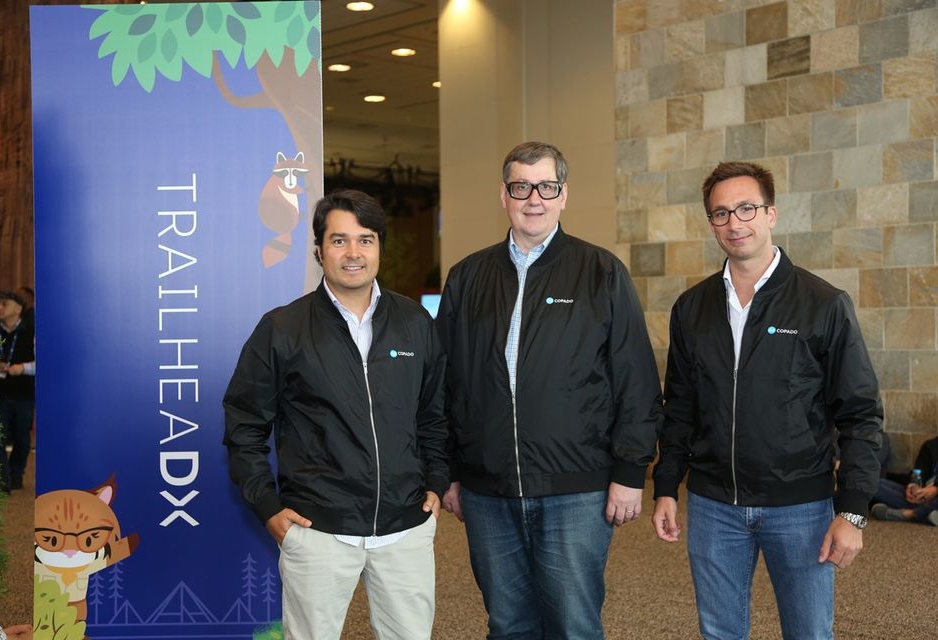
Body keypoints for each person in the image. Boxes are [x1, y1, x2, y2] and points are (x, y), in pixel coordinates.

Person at [436, 141, 662, 639]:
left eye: (546, 186)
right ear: (504, 195)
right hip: (487, 489)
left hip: (576, 489)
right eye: (521, 187)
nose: (533, 198)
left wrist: (630, 471)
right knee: (507, 624)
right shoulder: (467, 277)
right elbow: (442, 383)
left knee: (573, 626)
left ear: (564, 196)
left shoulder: (601, 272)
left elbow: (636, 379)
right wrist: (446, 471)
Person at [652, 161, 883, 639]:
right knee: (720, 634)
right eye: (721, 213)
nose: (734, 222)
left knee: (808, 633)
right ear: (712, 223)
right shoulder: (692, 308)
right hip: (714, 506)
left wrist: (853, 510)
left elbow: (860, 414)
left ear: (771, 214)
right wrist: (666, 486)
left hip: (800, 507)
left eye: (746, 208)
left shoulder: (823, 303)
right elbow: (679, 408)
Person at [223, 189, 449, 640]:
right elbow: (244, 425)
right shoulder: (282, 328)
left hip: (405, 529)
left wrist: (437, 481)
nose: (353, 253)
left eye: (365, 240)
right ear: (319, 251)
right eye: (339, 240)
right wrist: (268, 507)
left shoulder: (415, 323)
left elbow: (434, 414)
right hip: (318, 531)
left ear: (380, 248)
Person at [0, 291, 36, 492]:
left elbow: (43, 362)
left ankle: (16, 474)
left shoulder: (31, 332)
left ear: (18, 308)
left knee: (22, 440)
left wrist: (22, 368)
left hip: (23, 394)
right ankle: (3, 478)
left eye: (4, 304)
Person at [871, 436, 938, 526]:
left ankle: (908, 515)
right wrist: (913, 487)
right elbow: (918, 472)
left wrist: (936, 489)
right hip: (922, 498)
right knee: (872, 482)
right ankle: (929, 515)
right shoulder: (930, 445)